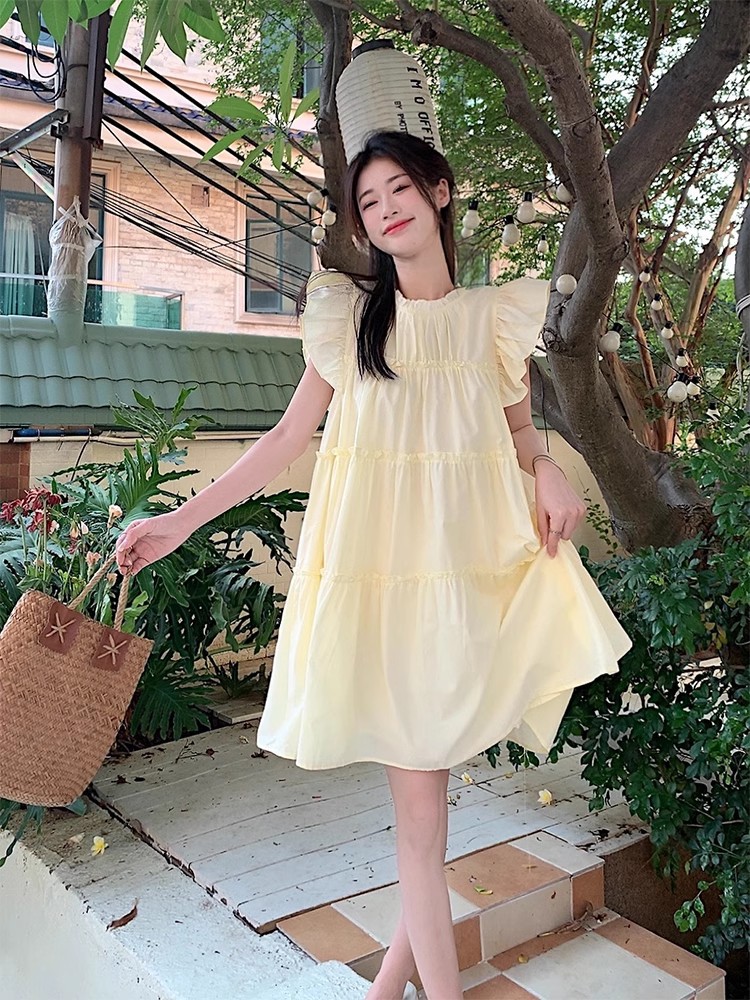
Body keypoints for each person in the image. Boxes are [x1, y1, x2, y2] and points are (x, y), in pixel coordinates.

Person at [115, 130, 632, 1000]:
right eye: (368, 201)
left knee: (426, 822)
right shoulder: (350, 320)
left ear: (439, 192)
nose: (386, 210)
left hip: (466, 587)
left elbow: (517, 431)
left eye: (399, 190)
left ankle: (386, 989)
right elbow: (286, 438)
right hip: (382, 593)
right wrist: (178, 521)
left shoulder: (489, 319)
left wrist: (547, 469)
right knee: (421, 827)